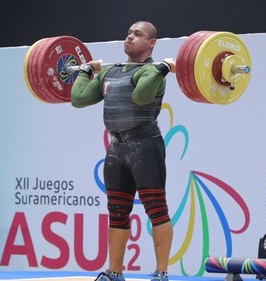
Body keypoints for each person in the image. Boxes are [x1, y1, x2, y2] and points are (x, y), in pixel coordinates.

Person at [71, 21, 176, 281]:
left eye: (137, 34)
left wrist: (162, 67)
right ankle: (114, 273)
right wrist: (86, 71)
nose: (129, 37)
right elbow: (79, 98)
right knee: (117, 211)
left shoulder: (151, 72)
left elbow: (141, 97)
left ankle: (161, 273)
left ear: (151, 43)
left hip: (146, 147)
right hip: (116, 149)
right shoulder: (111, 73)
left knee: (156, 209)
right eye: (129, 33)